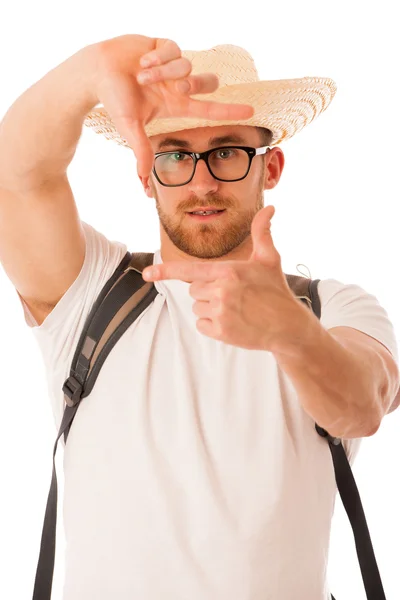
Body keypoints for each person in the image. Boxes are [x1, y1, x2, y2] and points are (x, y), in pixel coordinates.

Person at [0, 34, 399, 600]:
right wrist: (85, 73)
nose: (202, 180)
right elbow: (17, 178)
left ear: (272, 165)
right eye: (175, 154)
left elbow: (364, 404)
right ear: (146, 174)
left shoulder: (330, 307)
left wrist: (289, 332)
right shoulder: (88, 294)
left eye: (228, 151)